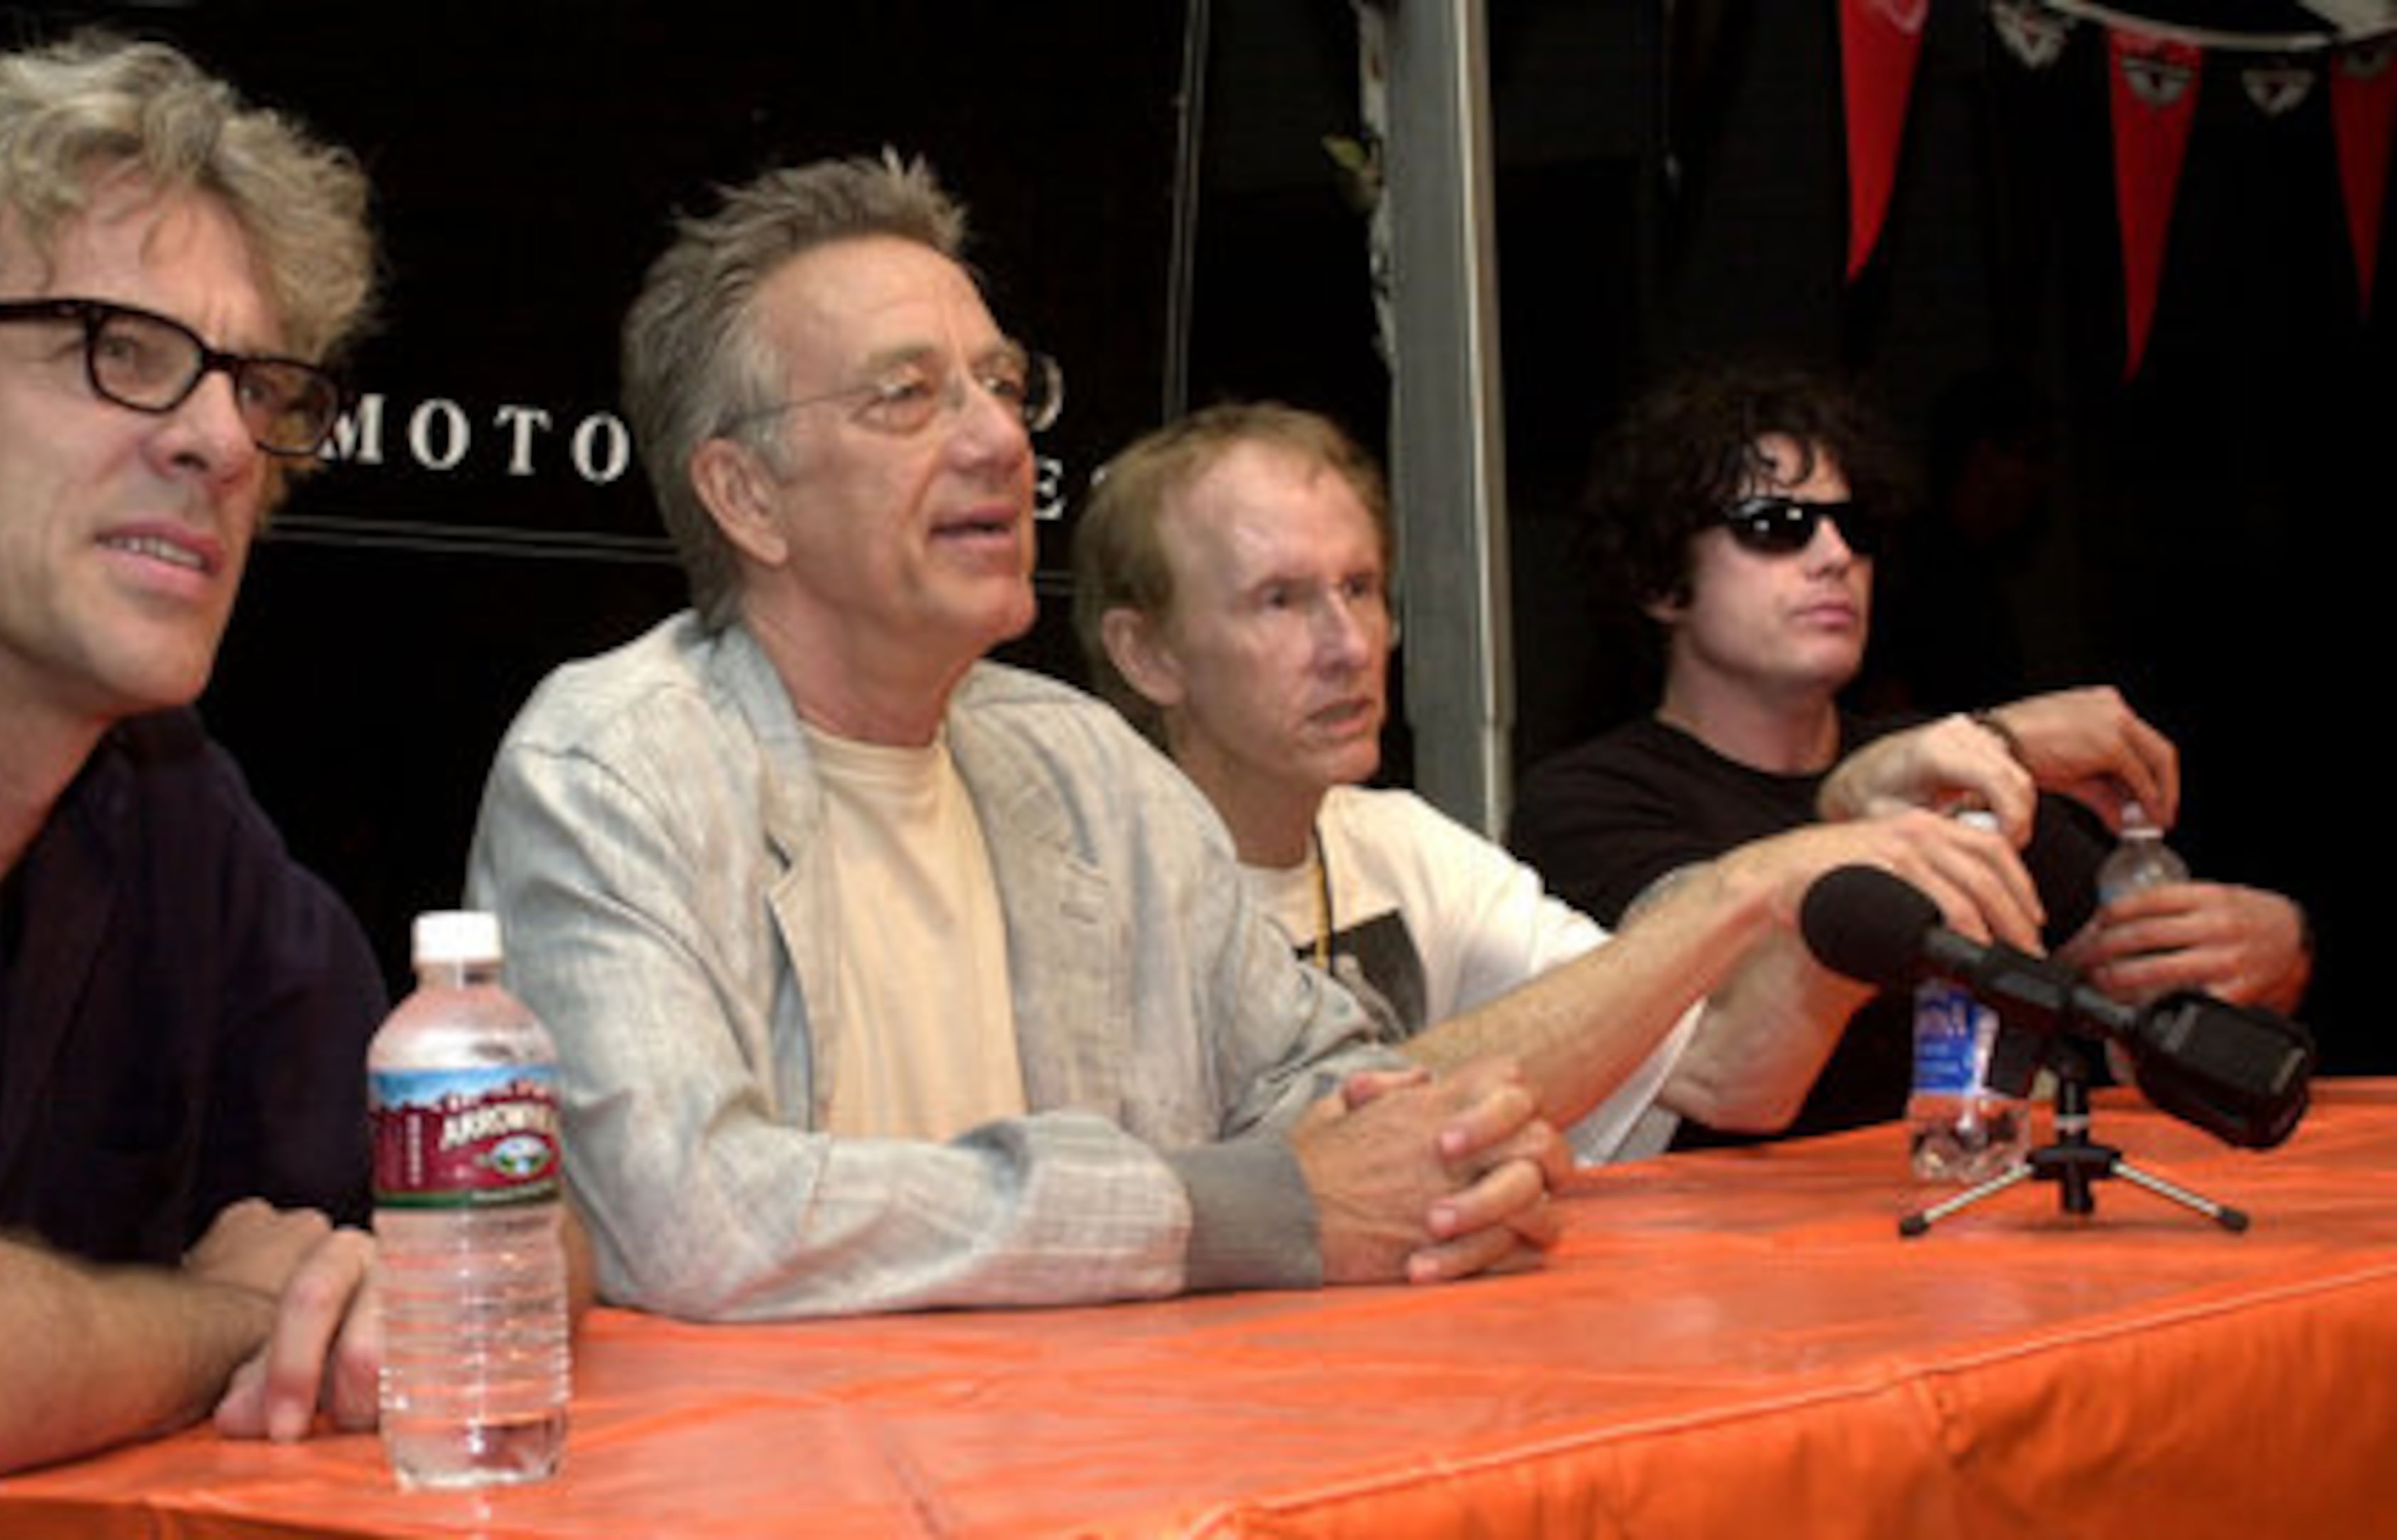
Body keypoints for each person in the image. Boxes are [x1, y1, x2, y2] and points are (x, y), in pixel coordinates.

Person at [0, 34, 583, 1509]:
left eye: (255, 384)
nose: (221, 439)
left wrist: (354, 1279)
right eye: (120, 350)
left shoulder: (164, 797)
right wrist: (230, 1311)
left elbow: (517, 1236)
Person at [467, 151, 1614, 1322]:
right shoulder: (615, 767)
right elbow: (695, 1221)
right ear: (747, 495)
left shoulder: (1083, 765)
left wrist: (1450, 1151)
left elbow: (1312, 1082)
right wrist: (1233, 1209)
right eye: (907, 396)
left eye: (1003, 385)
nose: (1000, 443)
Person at [1070, 400, 2046, 1162]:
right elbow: (1297, 1157)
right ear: (1149, 653)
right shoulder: (1092, 892)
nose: (1348, 644)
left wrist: (1845, 893)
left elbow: (1724, 1071)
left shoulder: (1405, 845)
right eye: (1280, 600)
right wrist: (1747, 884)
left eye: (1362, 589)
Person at [1505, 361, 2312, 1141]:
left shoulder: (1929, 757)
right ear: (1659, 579)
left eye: (1852, 528)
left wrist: (2265, 953)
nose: (1834, 556)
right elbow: (1725, 1009)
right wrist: (1989, 747)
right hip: (1729, 1254)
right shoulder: (1589, 800)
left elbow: (2127, 998)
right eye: (1778, 527)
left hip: (1967, 1229)